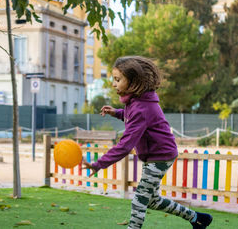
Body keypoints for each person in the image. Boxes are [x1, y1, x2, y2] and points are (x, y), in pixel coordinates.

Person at [83, 56, 213, 229]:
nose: (113, 84)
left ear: (133, 82)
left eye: (117, 79)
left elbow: (125, 145)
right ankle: (197, 218)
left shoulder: (141, 107)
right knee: (152, 201)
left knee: (140, 199)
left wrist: (98, 164)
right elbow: (133, 116)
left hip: (161, 156)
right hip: (154, 155)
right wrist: (117, 113)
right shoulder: (136, 102)